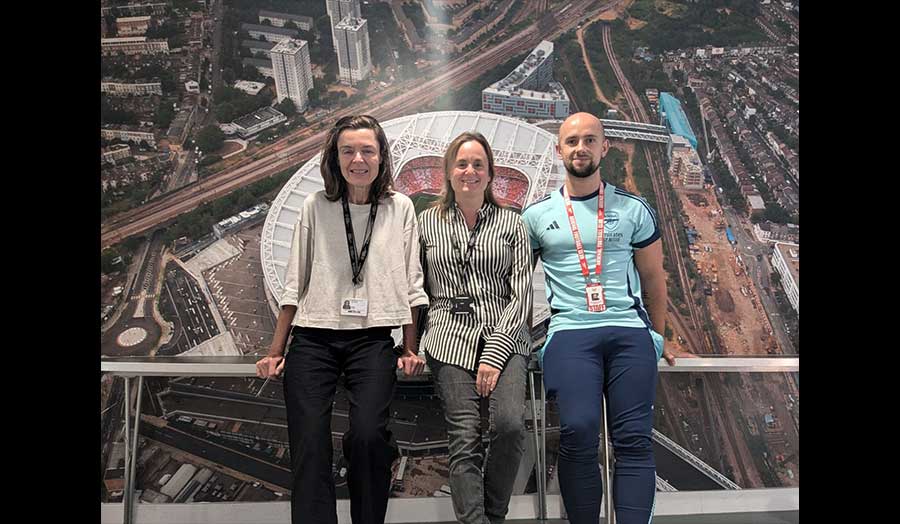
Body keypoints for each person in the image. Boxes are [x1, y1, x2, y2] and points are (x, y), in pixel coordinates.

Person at [255, 115, 429, 524]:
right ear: (335, 158)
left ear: (381, 156)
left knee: (369, 436)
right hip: (314, 340)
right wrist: (275, 350)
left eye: (367, 150)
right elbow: (294, 283)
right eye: (347, 150)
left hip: (371, 341)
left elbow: (412, 283)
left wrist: (410, 347)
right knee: (310, 443)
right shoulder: (316, 207)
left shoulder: (399, 207)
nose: (357, 159)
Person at [521, 112, 677, 524]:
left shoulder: (633, 209)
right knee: (578, 431)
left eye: (590, 140)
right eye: (572, 141)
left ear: (604, 147)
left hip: (629, 333)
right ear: (559, 150)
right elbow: (515, 286)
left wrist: (656, 336)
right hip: (570, 333)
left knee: (633, 441)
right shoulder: (536, 217)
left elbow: (653, 280)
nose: (580, 148)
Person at [418, 131, 533, 524]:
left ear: (490, 174)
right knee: (464, 438)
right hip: (448, 336)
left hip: (504, 331)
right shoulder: (426, 223)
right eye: (462, 163)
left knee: (510, 426)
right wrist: (410, 344)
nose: (470, 171)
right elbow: (415, 289)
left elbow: (522, 296)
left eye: (478, 164)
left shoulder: (512, 224)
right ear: (449, 172)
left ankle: (492, 517)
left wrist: (495, 353)